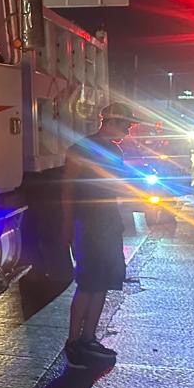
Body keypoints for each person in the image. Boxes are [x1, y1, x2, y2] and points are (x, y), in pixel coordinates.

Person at [61, 102, 139, 368]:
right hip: (91, 224)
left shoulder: (107, 149)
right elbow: (68, 191)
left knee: (100, 283)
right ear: (112, 122)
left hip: (105, 223)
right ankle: (74, 343)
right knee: (89, 284)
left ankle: (87, 338)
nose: (128, 131)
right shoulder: (85, 149)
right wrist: (68, 225)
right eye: (126, 125)